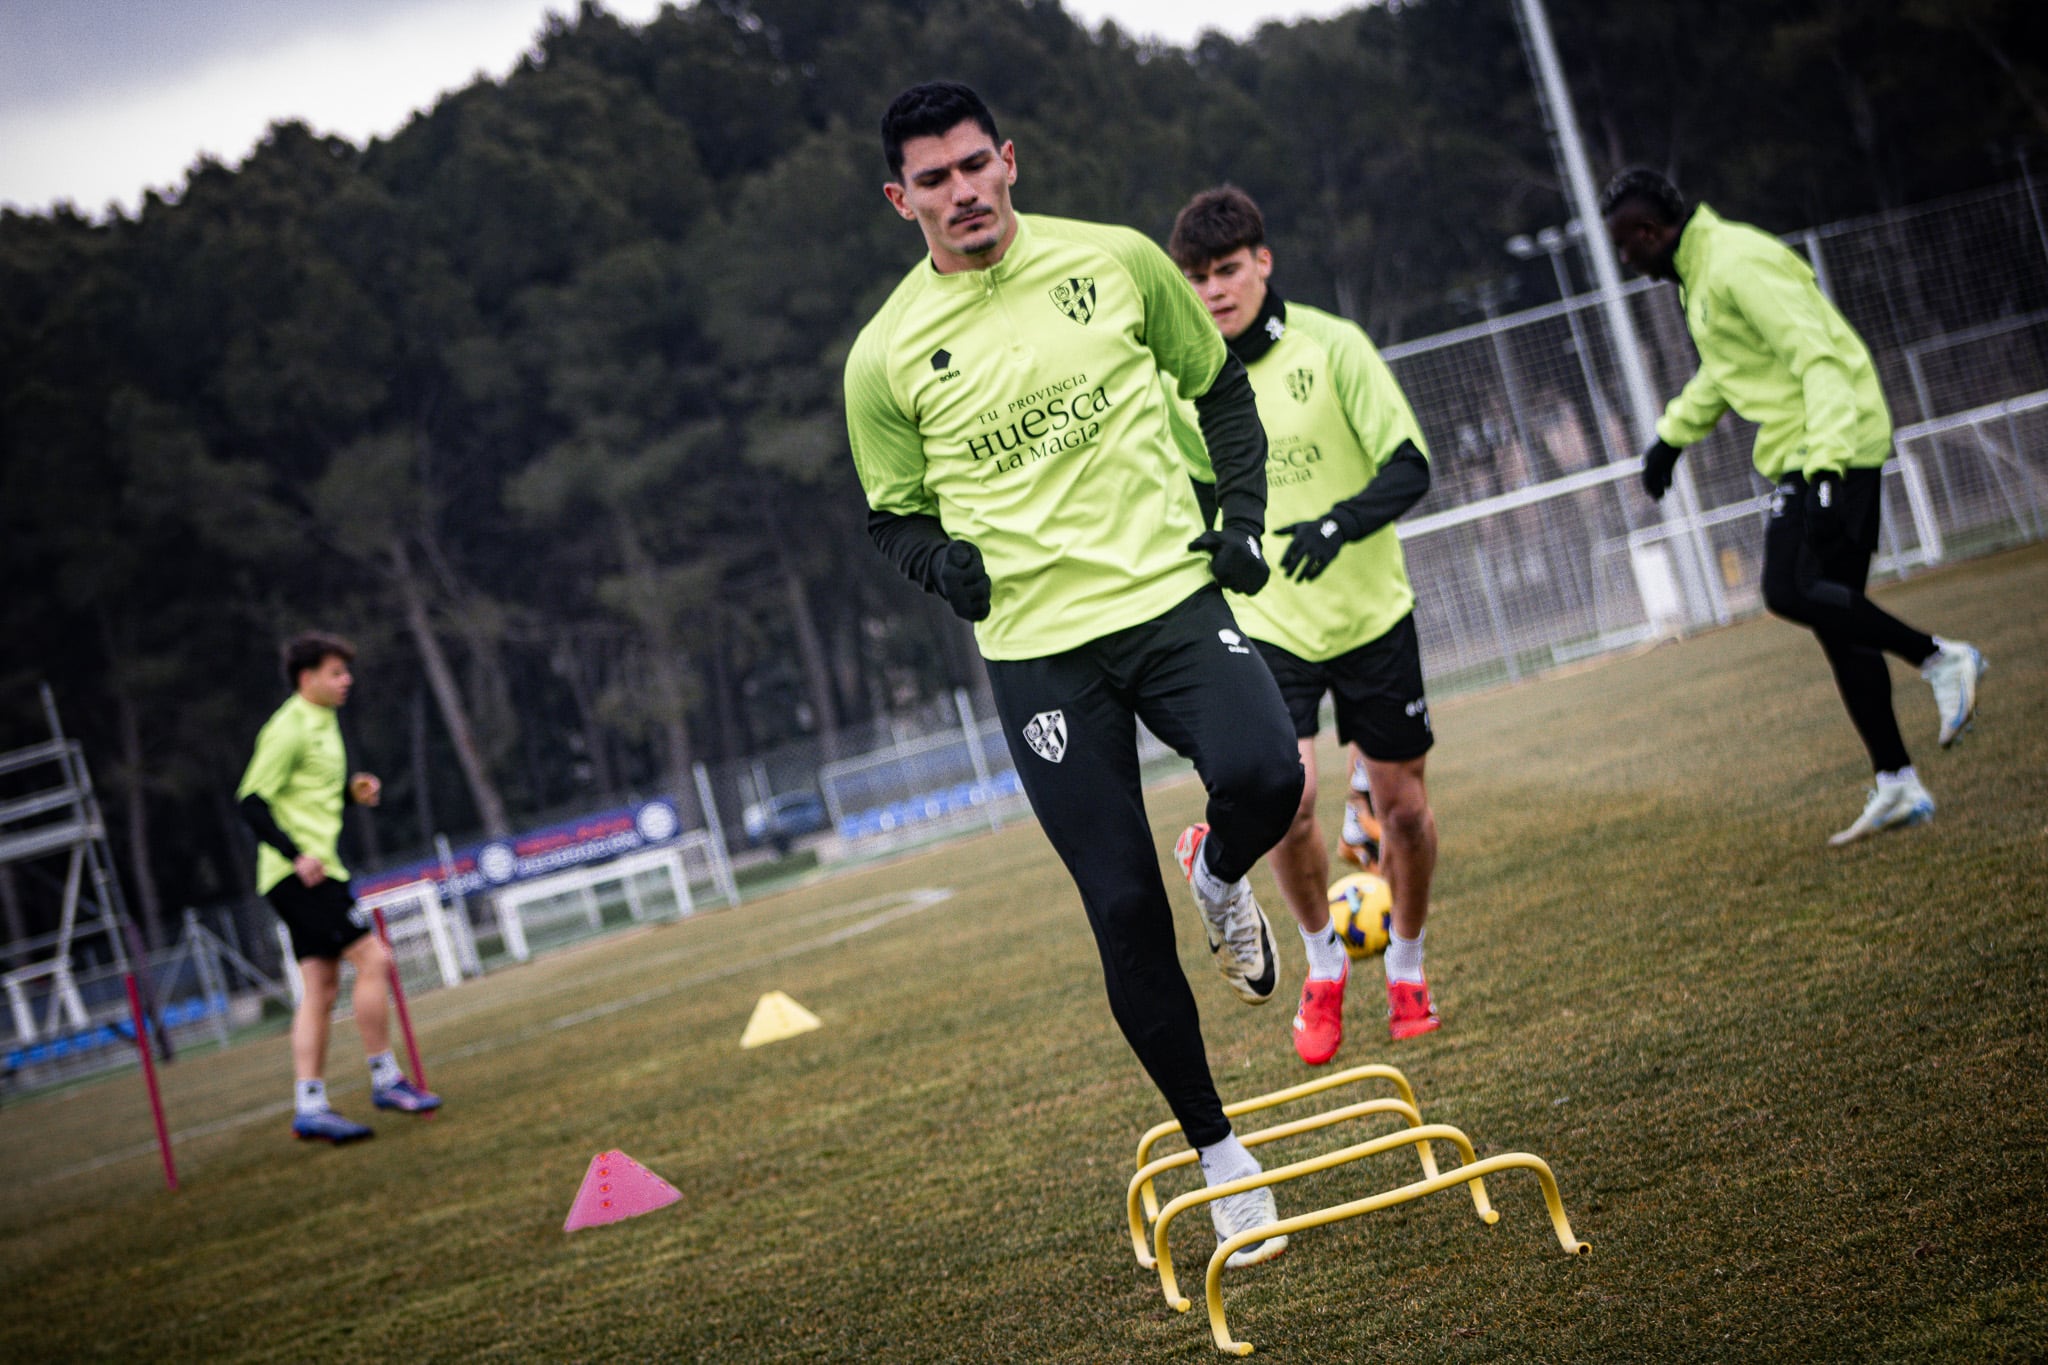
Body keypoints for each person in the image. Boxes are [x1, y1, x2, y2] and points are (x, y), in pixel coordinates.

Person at [844, 82, 1304, 1266]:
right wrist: (942, 565)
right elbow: (890, 517)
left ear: (1009, 160)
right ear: (901, 201)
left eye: (971, 166)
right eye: (931, 180)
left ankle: (1219, 868)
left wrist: (1240, 517)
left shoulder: (1116, 264)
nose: (960, 193)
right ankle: (1219, 1155)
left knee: (1266, 775)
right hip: (1038, 655)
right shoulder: (883, 356)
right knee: (1116, 908)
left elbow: (1218, 387)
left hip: (1166, 598)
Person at [1601, 169, 1987, 845]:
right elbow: (1728, 371)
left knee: (1789, 587)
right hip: (1807, 450)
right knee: (1837, 618)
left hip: (1834, 445)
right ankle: (1898, 782)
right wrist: (1670, 438)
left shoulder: (1737, 262)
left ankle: (1939, 658)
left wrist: (1831, 467)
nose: (1625, 263)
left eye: (1624, 248)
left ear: (1649, 233)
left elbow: (1820, 358)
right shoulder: (1701, 276)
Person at [1169, 186, 1442, 1065]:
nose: (1214, 290)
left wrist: (1336, 525)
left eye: (1227, 269)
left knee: (1401, 811)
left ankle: (1406, 962)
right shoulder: (1189, 384)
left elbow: (1412, 466)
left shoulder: (1334, 347)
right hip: (1270, 622)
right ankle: (1324, 965)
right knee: (1287, 805)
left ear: (1263, 262)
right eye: (1197, 277)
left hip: (1370, 614)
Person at [239, 632, 440, 1142]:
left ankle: (311, 1104)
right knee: (375, 961)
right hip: (301, 875)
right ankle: (387, 1079)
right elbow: (251, 802)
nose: (347, 680)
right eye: (336, 672)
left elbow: (307, 798)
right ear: (307, 679)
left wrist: (352, 794)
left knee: (322, 989)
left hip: (316, 870)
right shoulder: (288, 728)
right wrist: (296, 855)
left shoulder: (325, 721)